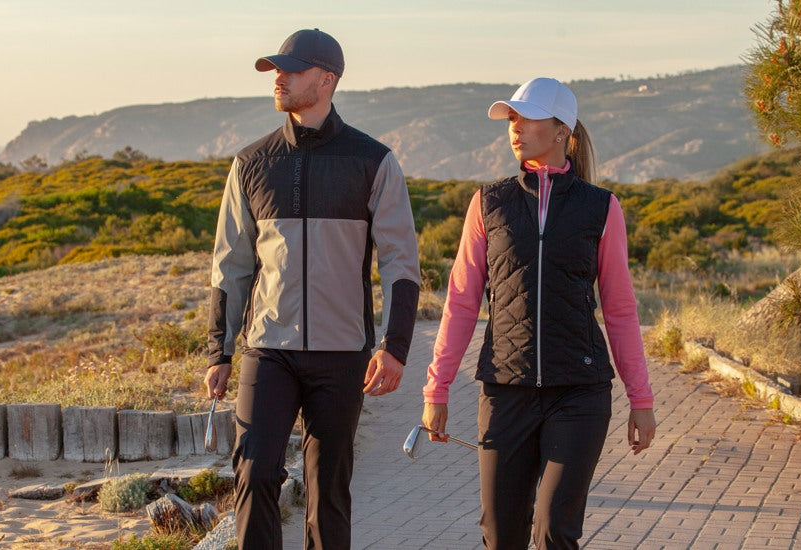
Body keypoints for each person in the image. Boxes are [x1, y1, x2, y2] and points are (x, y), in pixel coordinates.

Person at [204, 28, 421, 549]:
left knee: (328, 492)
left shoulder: (374, 161)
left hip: (342, 354)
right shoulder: (252, 163)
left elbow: (401, 264)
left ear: (327, 80)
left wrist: (394, 347)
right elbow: (230, 265)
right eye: (277, 69)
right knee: (254, 474)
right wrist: (220, 349)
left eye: (292, 70)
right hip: (268, 350)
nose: (279, 78)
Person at [421, 77, 656, 549]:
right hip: (506, 392)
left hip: (580, 392)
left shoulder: (601, 207)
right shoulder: (489, 203)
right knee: (500, 533)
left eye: (526, 117)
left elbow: (620, 309)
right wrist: (437, 388)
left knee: (554, 529)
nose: (515, 127)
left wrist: (642, 400)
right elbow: (463, 301)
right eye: (511, 117)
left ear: (561, 129)